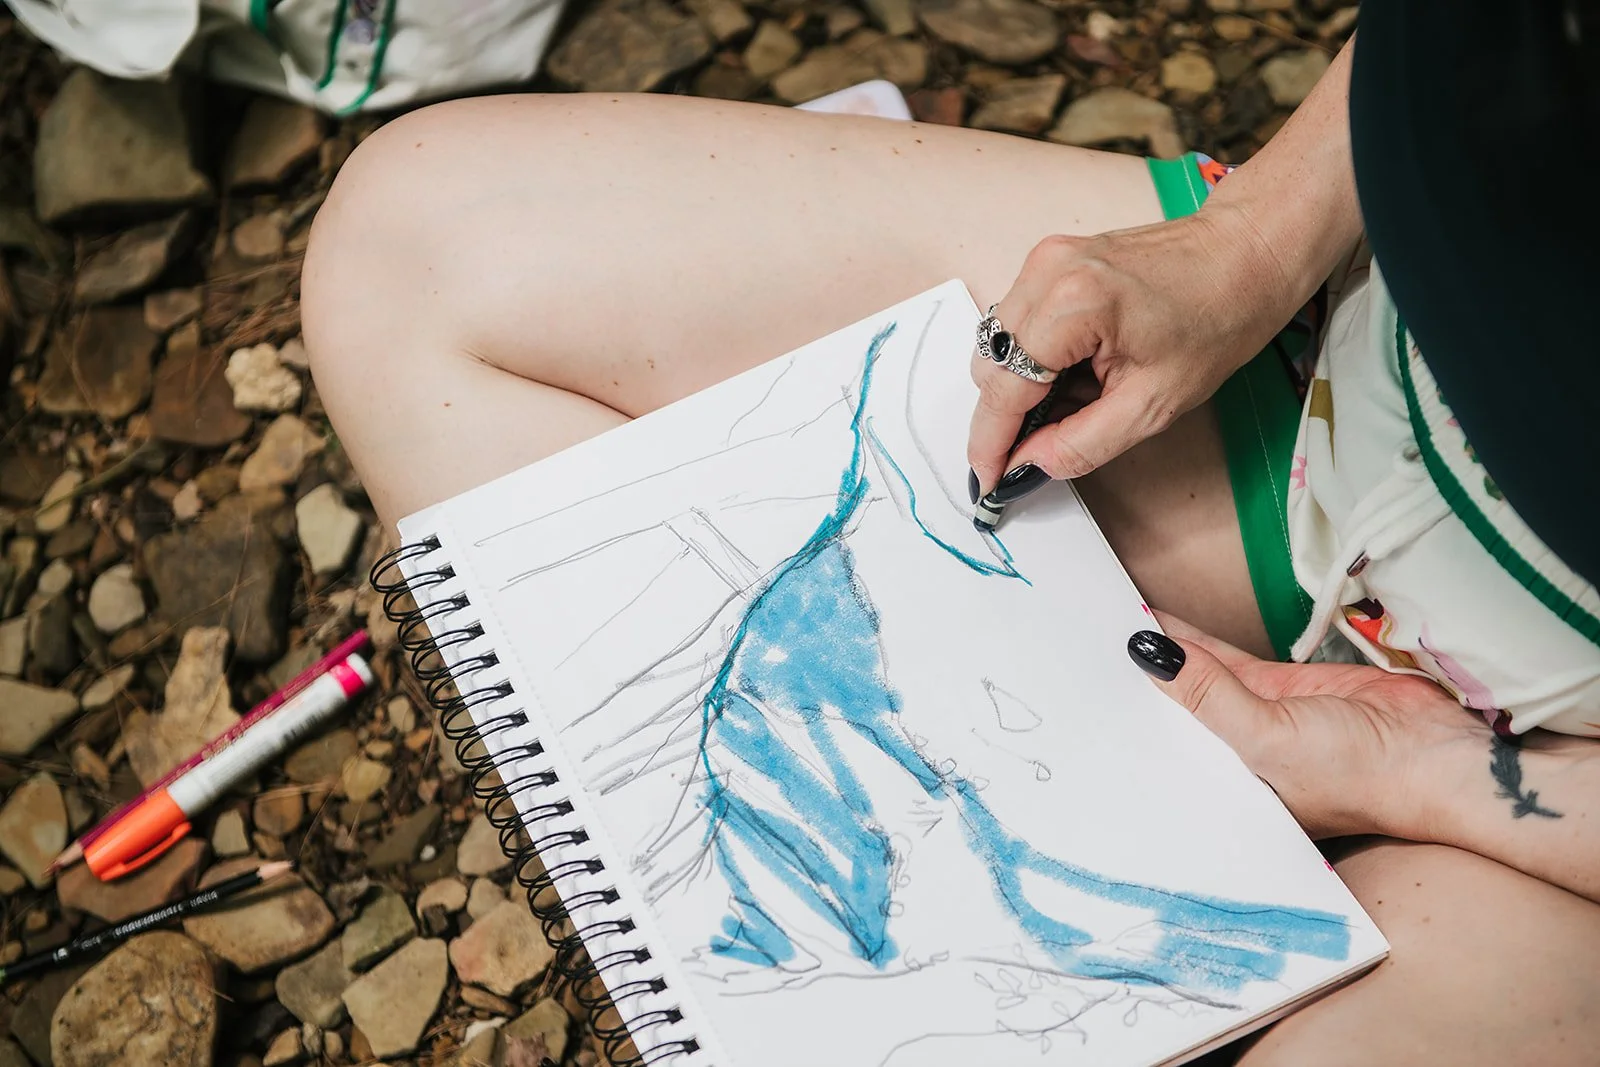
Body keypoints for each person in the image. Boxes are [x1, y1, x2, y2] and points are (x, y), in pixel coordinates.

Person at [302, 1, 1600, 1060]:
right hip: (1316, 397)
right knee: (419, 248)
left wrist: (1418, 773)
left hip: (1549, 800)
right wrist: (1251, 247)